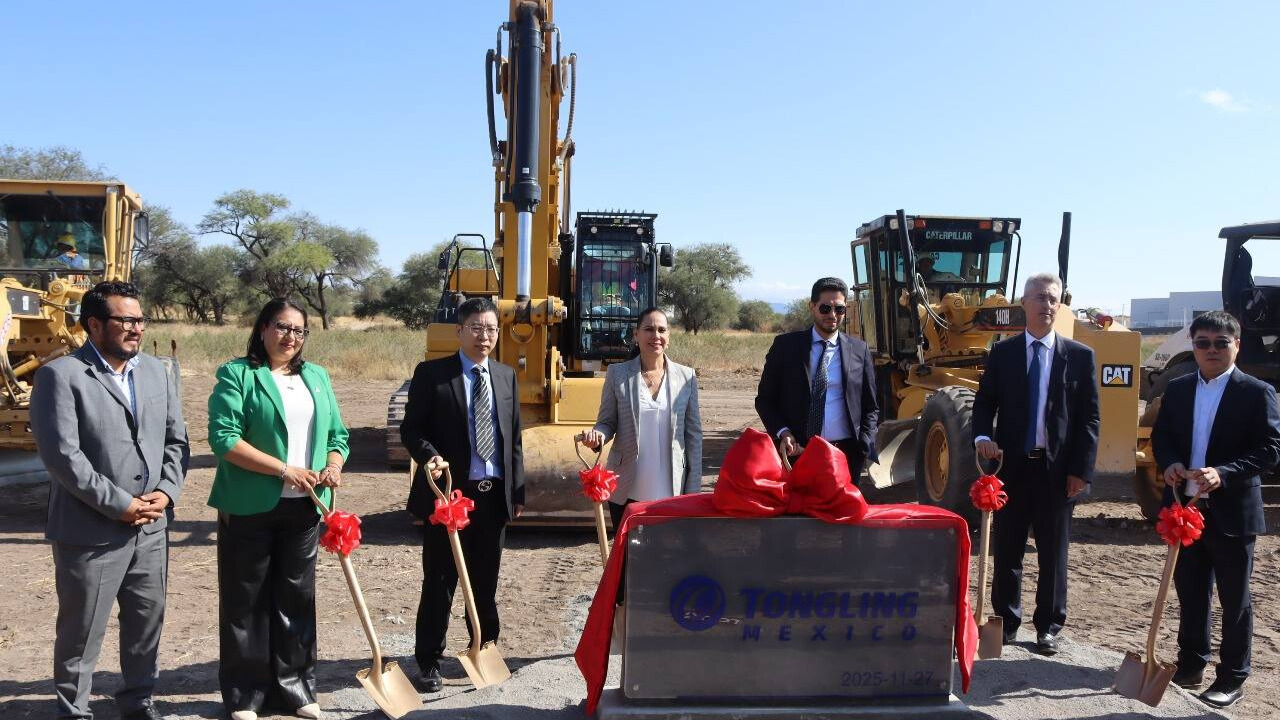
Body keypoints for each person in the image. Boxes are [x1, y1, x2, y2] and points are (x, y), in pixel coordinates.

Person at [31, 281, 188, 720]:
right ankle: (74, 710)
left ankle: (138, 702)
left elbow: (176, 440)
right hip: (91, 531)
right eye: (126, 320)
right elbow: (63, 455)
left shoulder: (157, 371)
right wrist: (119, 503)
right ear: (94, 324)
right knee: (81, 633)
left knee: (145, 623)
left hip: (152, 527)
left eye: (140, 319)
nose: (136, 328)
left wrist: (166, 491)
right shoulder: (60, 376)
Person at [207, 298, 349, 720]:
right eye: (283, 328)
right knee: (245, 600)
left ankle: (297, 689)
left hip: (305, 508)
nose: (291, 338)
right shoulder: (238, 374)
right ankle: (246, 695)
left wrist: (333, 466)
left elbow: (338, 435)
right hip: (250, 504)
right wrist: (285, 470)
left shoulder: (317, 377)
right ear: (263, 328)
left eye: (300, 331)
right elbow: (224, 439)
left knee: (297, 598)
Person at [1152, 311, 1280, 709]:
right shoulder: (1178, 389)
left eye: (1220, 343)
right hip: (1184, 510)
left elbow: (1271, 449)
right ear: (1192, 344)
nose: (1211, 350)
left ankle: (1232, 677)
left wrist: (1224, 472)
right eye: (1202, 342)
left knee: (1234, 599)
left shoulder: (1257, 392)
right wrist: (1170, 461)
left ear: (1236, 345)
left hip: (1232, 513)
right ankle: (1191, 666)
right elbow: (1163, 436)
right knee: (1191, 593)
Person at [972, 272, 1100, 655]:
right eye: (1039, 297)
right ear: (1023, 303)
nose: (1046, 305)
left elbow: (1089, 419)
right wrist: (981, 438)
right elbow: (985, 402)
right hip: (1010, 469)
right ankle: (1006, 622)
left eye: (1053, 298)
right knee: (1008, 549)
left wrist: (1082, 470)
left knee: (1053, 553)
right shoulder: (1003, 353)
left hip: (1057, 472)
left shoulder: (1079, 357)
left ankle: (1048, 627)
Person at [402, 297, 524, 693]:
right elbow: (412, 430)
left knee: (485, 580)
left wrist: (516, 491)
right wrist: (430, 456)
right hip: (448, 495)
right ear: (459, 331)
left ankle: (484, 647)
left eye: (491, 328)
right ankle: (428, 661)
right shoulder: (432, 375)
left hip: (491, 498)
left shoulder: (505, 376)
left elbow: (514, 439)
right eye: (476, 327)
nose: (484, 335)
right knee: (440, 580)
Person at [578, 307, 703, 527]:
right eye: (649, 329)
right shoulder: (617, 374)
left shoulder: (686, 377)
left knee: (667, 558)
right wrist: (597, 435)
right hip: (627, 492)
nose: (656, 336)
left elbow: (693, 436)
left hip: (672, 492)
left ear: (668, 337)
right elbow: (607, 422)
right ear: (636, 335)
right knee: (629, 559)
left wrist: (692, 492)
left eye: (662, 330)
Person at [755, 277, 879, 485]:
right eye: (825, 308)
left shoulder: (859, 350)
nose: (832, 315)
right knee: (799, 516)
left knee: (843, 517)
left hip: (846, 456)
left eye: (839, 309)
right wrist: (782, 432)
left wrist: (864, 443)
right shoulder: (786, 347)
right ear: (812, 307)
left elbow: (870, 406)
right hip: (799, 452)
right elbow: (765, 400)